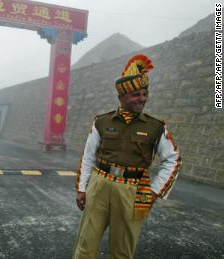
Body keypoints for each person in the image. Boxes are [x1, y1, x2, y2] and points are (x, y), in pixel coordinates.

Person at [72, 54, 181, 259]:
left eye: (144, 93)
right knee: (86, 244)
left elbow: (173, 159)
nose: (142, 98)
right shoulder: (102, 121)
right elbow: (88, 156)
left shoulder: (155, 126)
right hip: (99, 185)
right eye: (136, 94)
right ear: (121, 98)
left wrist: (155, 192)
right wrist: (81, 188)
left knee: (123, 251)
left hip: (133, 190)